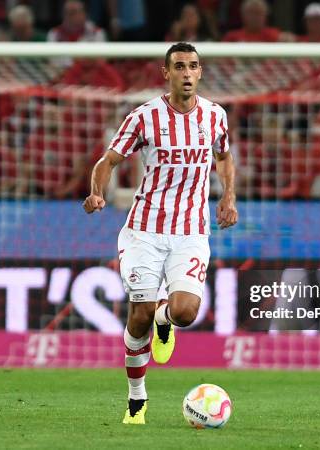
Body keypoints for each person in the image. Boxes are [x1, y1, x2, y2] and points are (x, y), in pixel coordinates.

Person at [83, 42, 238, 424]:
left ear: (200, 73)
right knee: (138, 317)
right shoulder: (144, 117)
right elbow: (109, 160)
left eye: (193, 66)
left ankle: (165, 321)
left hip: (190, 232)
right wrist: (96, 191)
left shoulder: (215, 116)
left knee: (184, 312)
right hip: (144, 231)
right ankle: (137, 398)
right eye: (180, 66)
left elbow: (223, 156)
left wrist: (228, 198)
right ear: (165, 73)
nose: (187, 73)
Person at [222, 0, 293, 42]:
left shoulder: (274, 35)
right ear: (242, 15)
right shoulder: (231, 37)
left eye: (259, 13)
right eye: (251, 12)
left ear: (266, 15)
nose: (255, 17)